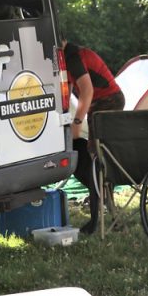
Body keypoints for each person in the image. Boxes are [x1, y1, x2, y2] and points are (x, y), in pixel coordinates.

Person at [62, 38, 125, 234]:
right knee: (99, 159)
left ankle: (101, 212)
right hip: (104, 101)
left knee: (96, 158)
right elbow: (71, 85)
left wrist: (77, 123)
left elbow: (87, 91)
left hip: (107, 101)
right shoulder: (68, 55)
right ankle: (108, 209)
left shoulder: (72, 56)